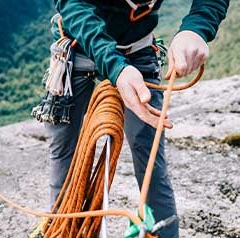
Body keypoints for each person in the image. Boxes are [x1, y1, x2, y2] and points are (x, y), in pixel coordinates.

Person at [37, 0, 229, 237]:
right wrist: (116, 68)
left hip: (136, 50)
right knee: (65, 160)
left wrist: (197, 27)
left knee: (150, 160)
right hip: (80, 46)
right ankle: (62, 230)